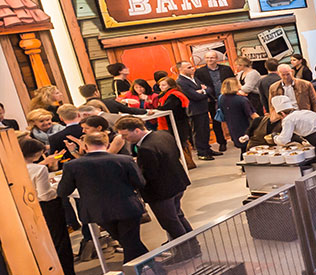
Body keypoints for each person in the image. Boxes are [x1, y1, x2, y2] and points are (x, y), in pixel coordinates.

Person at [58, 132, 154, 264]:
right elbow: (140, 183)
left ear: (85, 146)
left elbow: (63, 191)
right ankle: (145, 272)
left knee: (128, 241)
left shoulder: (72, 166)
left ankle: (148, 271)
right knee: (130, 241)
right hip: (127, 206)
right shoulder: (124, 160)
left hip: (98, 211)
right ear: (107, 144)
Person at [116, 116, 199, 261]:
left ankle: (185, 252)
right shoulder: (163, 134)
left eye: (125, 135)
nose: (124, 139)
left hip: (161, 192)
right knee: (178, 216)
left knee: (170, 222)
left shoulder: (146, 148)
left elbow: (149, 175)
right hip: (177, 183)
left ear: (136, 130)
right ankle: (194, 246)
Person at [19, 138, 78, 275]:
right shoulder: (38, 169)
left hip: (25, 209)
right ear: (36, 153)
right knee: (60, 243)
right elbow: (45, 195)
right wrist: (57, 188)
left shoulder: (13, 169)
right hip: (48, 209)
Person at [268, 94, 316, 166]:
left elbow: (284, 140)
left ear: (282, 113)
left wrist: (274, 137)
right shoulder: (306, 112)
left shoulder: (288, 119)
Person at [173, 61, 217, 161]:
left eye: (191, 66)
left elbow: (209, 89)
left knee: (205, 130)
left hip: (203, 108)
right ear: (181, 69)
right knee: (198, 131)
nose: (192, 68)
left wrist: (203, 91)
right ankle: (201, 152)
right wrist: (203, 91)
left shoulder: (194, 78)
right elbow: (194, 96)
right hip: (195, 110)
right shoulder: (181, 82)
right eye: (189, 67)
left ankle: (207, 149)